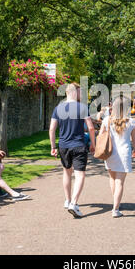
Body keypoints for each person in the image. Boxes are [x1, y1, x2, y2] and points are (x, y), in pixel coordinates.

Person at [49, 83, 96, 218]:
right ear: (74, 92)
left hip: (63, 145)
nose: (81, 94)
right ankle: (74, 203)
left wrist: (53, 147)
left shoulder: (58, 108)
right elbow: (91, 128)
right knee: (80, 174)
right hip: (78, 145)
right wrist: (93, 143)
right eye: (80, 92)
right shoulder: (81, 108)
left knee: (67, 173)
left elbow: (52, 129)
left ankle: (68, 200)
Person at [99, 97, 135, 218]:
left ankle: (116, 203)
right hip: (124, 153)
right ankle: (115, 209)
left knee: (112, 178)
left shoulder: (107, 120)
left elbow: (100, 135)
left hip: (110, 153)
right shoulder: (131, 122)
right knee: (120, 182)